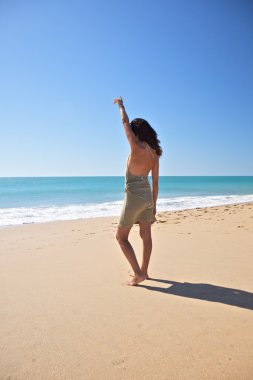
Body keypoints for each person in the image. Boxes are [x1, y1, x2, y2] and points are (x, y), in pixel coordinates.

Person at [114, 96, 162, 286]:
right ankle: (145, 271)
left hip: (134, 196)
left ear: (135, 133)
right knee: (146, 235)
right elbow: (156, 183)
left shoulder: (135, 146)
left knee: (121, 237)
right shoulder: (154, 154)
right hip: (148, 196)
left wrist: (121, 105)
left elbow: (124, 121)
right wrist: (154, 205)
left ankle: (138, 273)